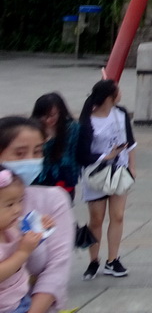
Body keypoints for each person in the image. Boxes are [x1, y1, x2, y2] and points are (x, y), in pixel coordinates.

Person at [0, 116, 74, 313]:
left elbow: (57, 267)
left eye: (37, 151)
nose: (31, 160)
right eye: (20, 153)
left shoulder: (53, 199)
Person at [76, 79, 135, 281]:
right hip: (96, 174)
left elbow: (131, 143)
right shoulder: (87, 121)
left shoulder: (121, 114)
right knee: (96, 219)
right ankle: (93, 261)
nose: (121, 93)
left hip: (119, 171)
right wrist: (105, 157)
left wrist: (132, 168)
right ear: (110, 96)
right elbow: (82, 154)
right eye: (118, 91)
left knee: (117, 216)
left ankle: (113, 260)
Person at [0, 166, 54, 313]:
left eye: (20, 201)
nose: (17, 209)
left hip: (20, 298)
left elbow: (27, 242)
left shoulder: (9, 227)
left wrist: (39, 230)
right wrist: (23, 252)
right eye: (10, 204)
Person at [29, 95, 79, 200]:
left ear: (60, 112)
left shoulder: (71, 128)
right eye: (44, 116)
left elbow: (74, 154)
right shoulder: (32, 130)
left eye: (52, 115)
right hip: (39, 179)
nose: (48, 120)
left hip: (64, 178)